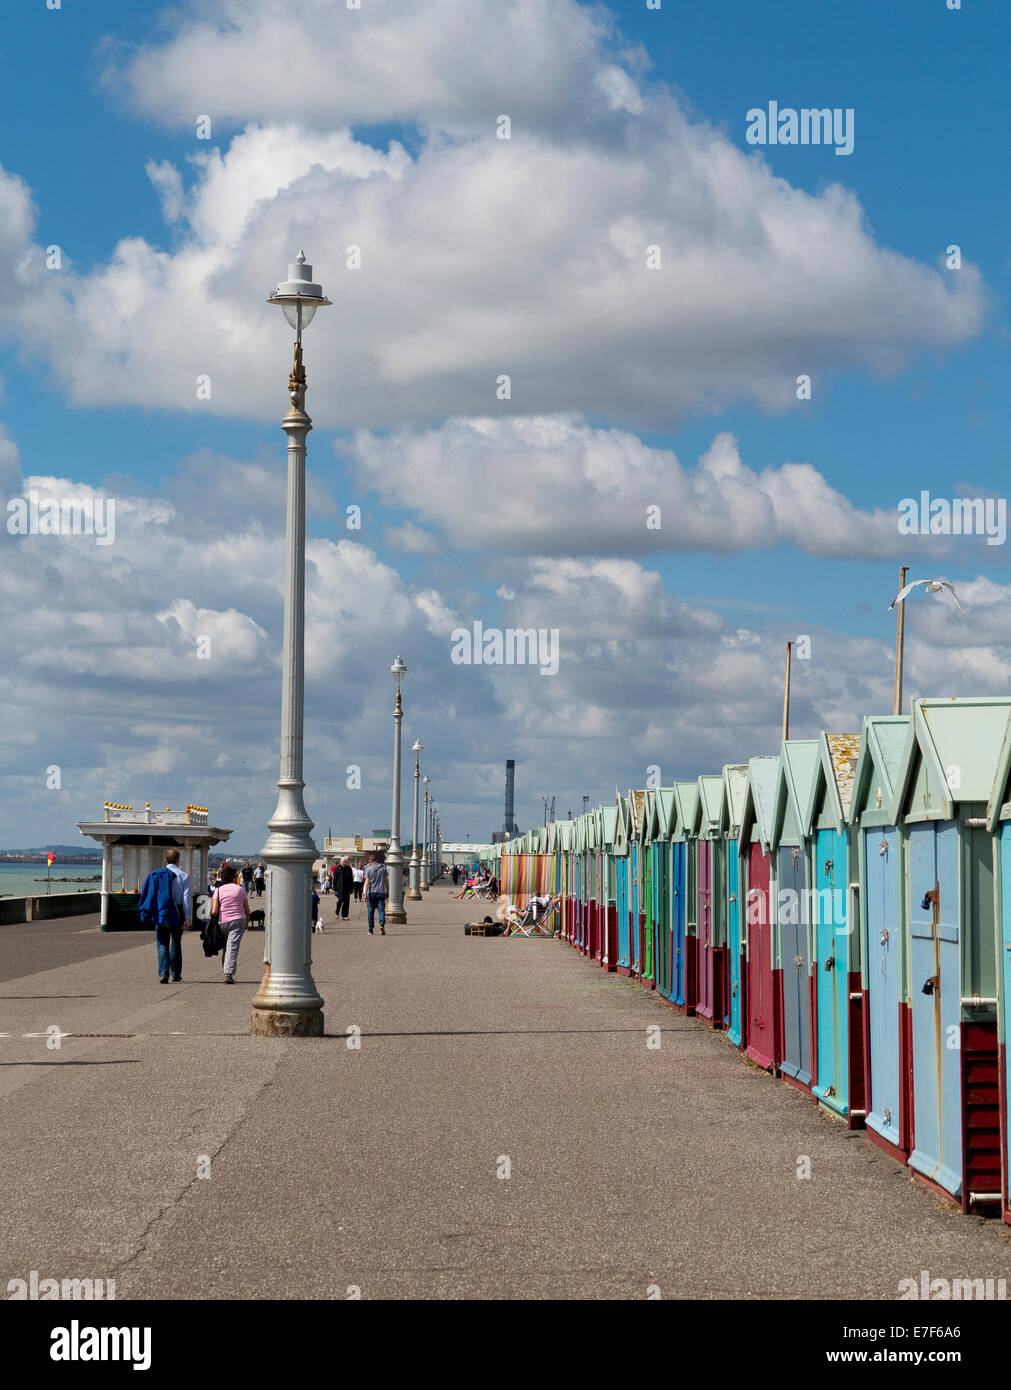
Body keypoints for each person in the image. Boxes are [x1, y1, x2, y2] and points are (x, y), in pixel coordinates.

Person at [139, 849, 187, 983]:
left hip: (161, 911)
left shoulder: (157, 875)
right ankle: (176, 974)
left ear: (165, 860)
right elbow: (186, 899)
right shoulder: (183, 875)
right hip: (177, 911)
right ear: (178, 860)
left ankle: (163, 973)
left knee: (162, 943)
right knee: (176, 943)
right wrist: (187, 917)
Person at [210, 862, 250, 983]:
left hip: (223, 921)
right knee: (232, 946)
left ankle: (226, 971)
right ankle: (228, 973)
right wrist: (247, 922)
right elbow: (247, 910)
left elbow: (214, 910)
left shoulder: (218, 890)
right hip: (238, 920)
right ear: (233, 878)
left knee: (226, 947)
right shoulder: (240, 889)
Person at [362, 851, 389, 935]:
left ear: (370, 861)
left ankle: (370, 929)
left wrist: (365, 893)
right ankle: (381, 925)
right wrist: (387, 891)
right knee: (381, 910)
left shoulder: (368, 869)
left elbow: (366, 882)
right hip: (381, 892)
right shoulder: (383, 868)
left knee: (370, 911)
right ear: (376, 860)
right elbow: (386, 881)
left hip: (371, 892)